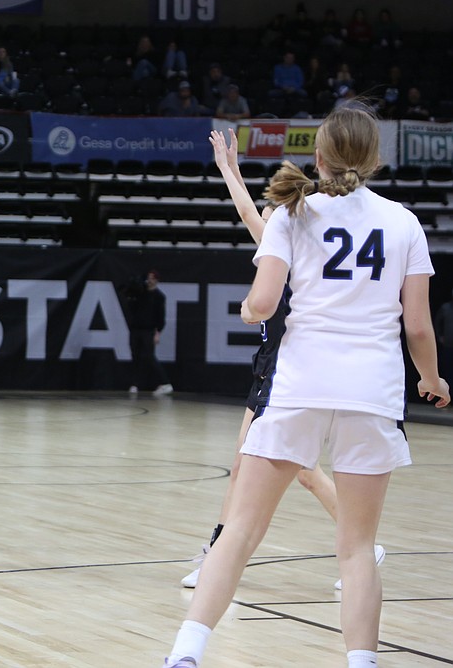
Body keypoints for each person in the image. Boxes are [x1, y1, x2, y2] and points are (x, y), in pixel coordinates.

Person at [159, 103, 449, 668]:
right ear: (375, 159)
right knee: (358, 549)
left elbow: (264, 303)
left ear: (318, 157)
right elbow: (417, 324)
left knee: (239, 533)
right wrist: (433, 378)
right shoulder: (404, 221)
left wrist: (247, 309)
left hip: (298, 384)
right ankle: (361, 662)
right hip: (372, 390)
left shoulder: (293, 212)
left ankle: (185, 655)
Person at [179, 127, 368, 592]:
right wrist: (228, 168)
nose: (261, 217)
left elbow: (248, 210)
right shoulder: (275, 243)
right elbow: (245, 207)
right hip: (273, 364)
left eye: (268, 212)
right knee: (292, 471)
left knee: (253, 466)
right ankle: (363, 544)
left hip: (289, 367)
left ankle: (217, 557)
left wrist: (232, 172)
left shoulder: (294, 241)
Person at [124, 269, 172, 395]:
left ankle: (165, 383)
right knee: (135, 356)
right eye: (148, 278)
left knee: (149, 356)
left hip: (148, 330)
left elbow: (160, 317)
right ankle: (135, 384)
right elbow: (129, 296)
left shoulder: (159, 297)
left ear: (156, 280)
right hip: (135, 329)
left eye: (151, 278)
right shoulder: (141, 292)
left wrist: (157, 333)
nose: (149, 280)